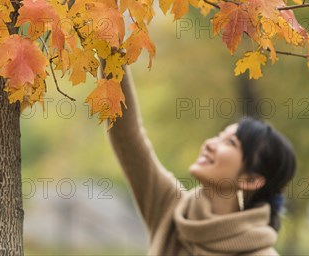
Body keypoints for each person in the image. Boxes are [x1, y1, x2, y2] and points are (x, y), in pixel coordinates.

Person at [107, 66, 296, 255]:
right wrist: (112, 55)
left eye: (230, 143)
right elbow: (127, 135)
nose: (210, 144)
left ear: (250, 180)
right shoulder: (170, 208)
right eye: (218, 135)